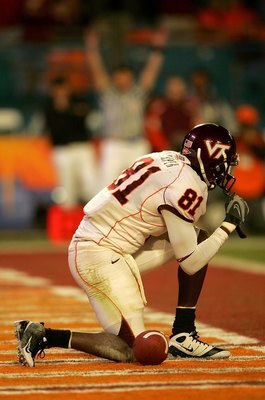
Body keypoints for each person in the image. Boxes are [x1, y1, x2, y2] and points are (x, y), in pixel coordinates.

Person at [15, 123, 249, 367]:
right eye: (226, 161)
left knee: (197, 237)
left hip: (107, 242)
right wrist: (228, 225)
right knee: (138, 350)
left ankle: (183, 333)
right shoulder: (185, 186)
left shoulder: (168, 158)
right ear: (209, 157)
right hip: (98, 254)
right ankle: (43, 335)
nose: (227, 170)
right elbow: (190, 263)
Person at [84, 29, 167, 188]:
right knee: (106, 187)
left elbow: (151, 71)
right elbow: (97, 70)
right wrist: (92, 48)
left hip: (136, 144)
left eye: (126, 78)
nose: (122, 82)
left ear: (131, 78)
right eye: (119, 78)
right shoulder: (108, 94)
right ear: (114, 79)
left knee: (143, 187)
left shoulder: (138, 93)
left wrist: (158, 48)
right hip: (114, 145)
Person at [43, 76, 98, 207]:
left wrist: (67, 109)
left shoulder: (78, 101)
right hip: (62, 150)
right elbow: (55, 130)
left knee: (90, 185)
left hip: (82, 147)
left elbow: (83, 117)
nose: (61, 92)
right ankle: (69, 222)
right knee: (67, 190)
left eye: (63, 89)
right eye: (57, 90)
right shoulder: (49, 107)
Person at [145, 76, 200, 152]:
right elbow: (153, 130)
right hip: (163, 151)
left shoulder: (190, 108)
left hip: (186, 150)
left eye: (178, 91)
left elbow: (198, 129)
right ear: (167, 91)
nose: (175, 93)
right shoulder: (159, 107)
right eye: (172, 91)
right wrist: (165, 147)